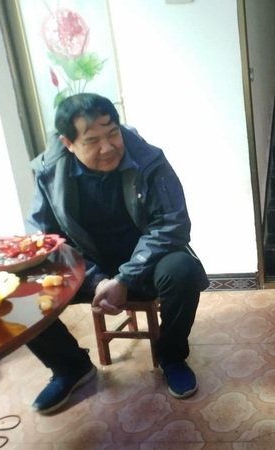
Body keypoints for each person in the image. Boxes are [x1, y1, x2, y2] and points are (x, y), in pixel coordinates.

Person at [25, 93, 209, 414]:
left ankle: (171, 357)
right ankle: (70, 367)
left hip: (146, 264)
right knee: (20, 289)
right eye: (92, 141)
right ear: (68, 143)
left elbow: (173, 225)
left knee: (182, 269)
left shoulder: (148, 159)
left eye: (113, 134)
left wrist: (125, 278)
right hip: (83, 268)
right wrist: (96, 280)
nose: (108, 147)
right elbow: (44, 239)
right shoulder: (49, 172)